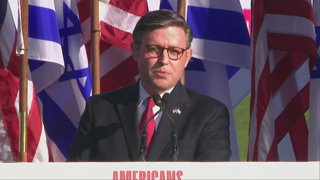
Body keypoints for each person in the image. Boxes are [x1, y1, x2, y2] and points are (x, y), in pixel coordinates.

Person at [68, 9, 231, 161]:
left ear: (187, 58)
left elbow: (213, 174)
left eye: (174, 52)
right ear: (136, 51)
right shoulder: (99, 109)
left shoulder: (209, 114)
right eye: (154, 49)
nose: (164, 60)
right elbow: (76, 173)